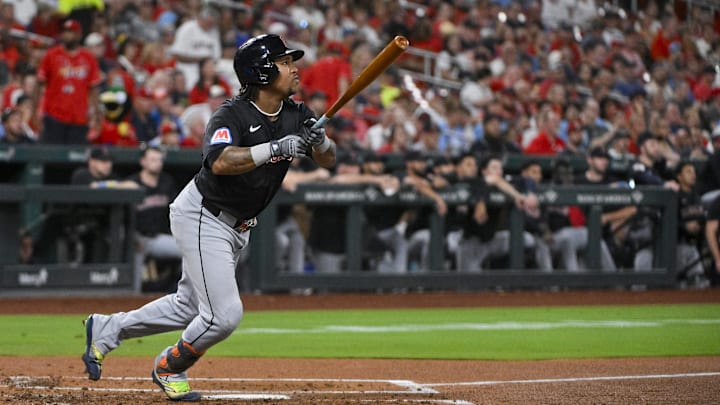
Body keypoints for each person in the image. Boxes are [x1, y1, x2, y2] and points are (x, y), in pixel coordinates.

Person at [81, 34, 336, 401]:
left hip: (238, 226)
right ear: (262, 71)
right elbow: (220, 160)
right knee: (224, 315)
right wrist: (276, 148)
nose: (294, 67)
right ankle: (170, 365)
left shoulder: (297, 114)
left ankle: (107, 329)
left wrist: (321, 142)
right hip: (204, 214)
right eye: (283, 62)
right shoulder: (231, 114)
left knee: (188, 306)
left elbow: (329, 161)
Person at [36, 19, 102, 144]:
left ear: (79, 35)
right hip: (54, 116)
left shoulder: (88, 58)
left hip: (79, 118)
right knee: (52, 157)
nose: (67, 35)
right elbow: (39, 83)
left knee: (76, 158)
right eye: (65, 32)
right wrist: (35, 112)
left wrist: (97, 116)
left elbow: (94, 89)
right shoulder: (52, 55)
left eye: (71, 32)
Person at [126, 146, 181, 293]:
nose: (157, 163)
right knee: (134, 266)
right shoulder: (131, 183)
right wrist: (133, 238)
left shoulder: (167, 182)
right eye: (153, 159)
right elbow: (123, 219)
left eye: (159, 159)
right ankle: (131, 299)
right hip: (136, 239)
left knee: (189, 249)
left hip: (157, 239)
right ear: (143, 162)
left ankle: (178, 293)